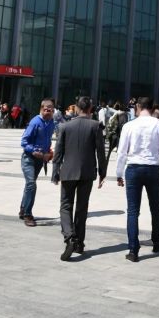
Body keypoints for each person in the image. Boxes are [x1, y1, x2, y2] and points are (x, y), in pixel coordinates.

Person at [115, 97, 159, 261]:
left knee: (133, 210)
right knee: (156, 207)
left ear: (139, 107)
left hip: (133, 168)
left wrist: (119, 174)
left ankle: (133, 249)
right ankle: (157, 239)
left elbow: (122, 152)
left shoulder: (129, 126)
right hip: (153, 168)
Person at [51, 96, 107, 261]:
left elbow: (58, 152)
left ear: (76, 108)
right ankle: (79, 243)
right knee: (82, 208)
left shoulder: (64, 126)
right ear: (90, 109)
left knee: (65, 206)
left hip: (68, 172)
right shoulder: (95, 126)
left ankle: (69, 237)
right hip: (87, 173)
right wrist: (103, 173)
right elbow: (100, 152)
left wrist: (55, 173)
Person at [19, 99, 59, 226]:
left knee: (29, 185)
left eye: (51, 109)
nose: (49, 111)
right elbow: (24, 142)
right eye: (47, 109)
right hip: (29, 158)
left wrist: (48, 152)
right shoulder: (35, 122)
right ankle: (28, 214)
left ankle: (23, 209)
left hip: (40, 159)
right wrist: (33, 150)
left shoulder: (51, 122)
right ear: (41, 109)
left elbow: (47, 140)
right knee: (31, 184)